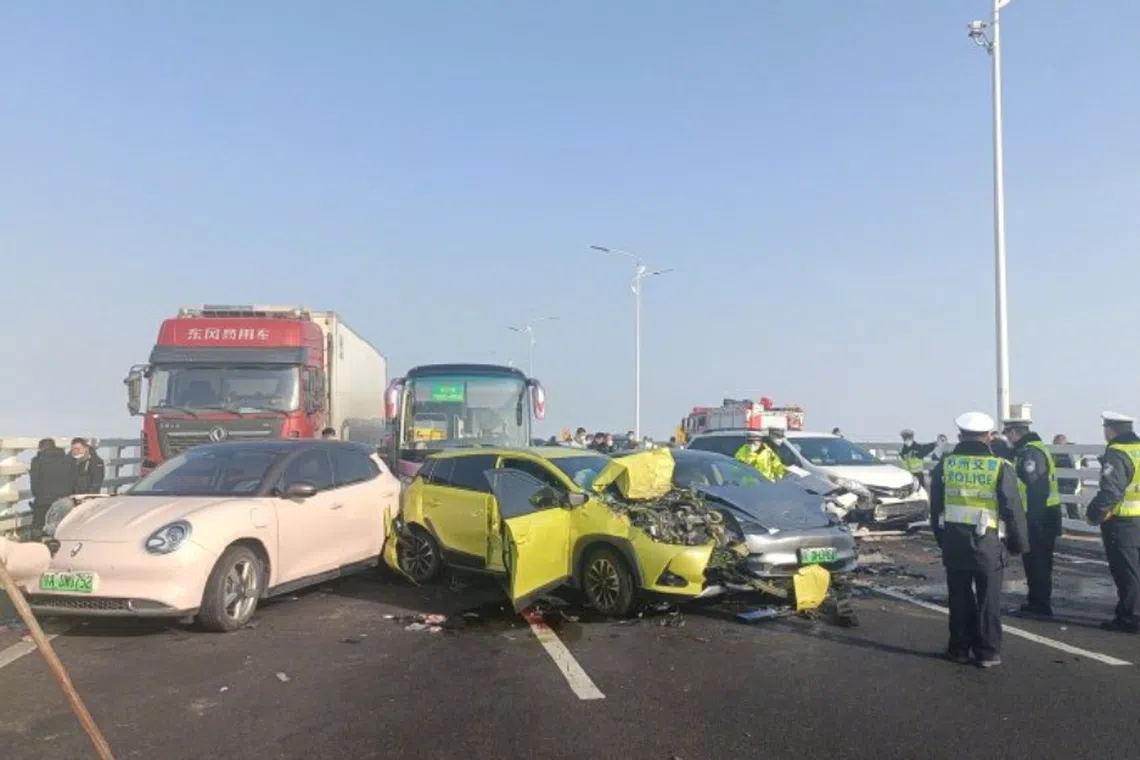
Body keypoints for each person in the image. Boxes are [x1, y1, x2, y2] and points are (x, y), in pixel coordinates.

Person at [929, 411, 1027, 667]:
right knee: (988, 599)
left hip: (954, 541)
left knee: (959, 597)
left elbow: (936, 507)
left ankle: (959, 649)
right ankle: (988, 652)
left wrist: (942, 539)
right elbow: (1012, 509)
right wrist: (1017, 544)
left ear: (960, 435)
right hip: (989, 543)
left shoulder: (946, 464)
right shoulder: (1000, 467)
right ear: (989, 437)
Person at [1084, 411, 1140, 634]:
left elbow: (1110, 492)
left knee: (1127, 572)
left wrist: (1093, 514)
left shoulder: (1117, 453)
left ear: (1110, 430)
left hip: (1122, 522)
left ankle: (1130, 617)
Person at [1002, 418, 1062, 617]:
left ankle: (1040, 605)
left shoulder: (1030, 453)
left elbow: (1036, 488)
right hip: (1044, 516)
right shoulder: (1032, 448)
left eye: (1007, 434)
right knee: (1039, 562)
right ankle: (1037, 601)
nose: (1007, 439)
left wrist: (1032, 522)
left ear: (1013, 433)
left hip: (1039, 518)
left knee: (1037, 562)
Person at [29, 438, 77, 539]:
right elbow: (74, 480)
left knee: (38, 527)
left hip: (43, 500)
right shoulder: (70, 460)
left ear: (41, 448)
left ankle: (38, 548)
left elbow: (34, 482)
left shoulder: (37, 461)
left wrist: (36, 495)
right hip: (64, 499)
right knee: (62, 526)